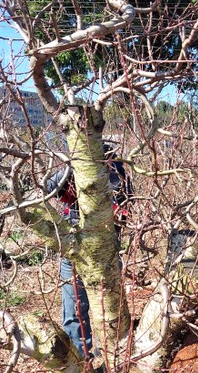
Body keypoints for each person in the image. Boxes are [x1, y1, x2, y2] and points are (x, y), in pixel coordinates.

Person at [45, 144, 133, 357]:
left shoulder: (118, 175)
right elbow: (49, 186)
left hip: (106, 249)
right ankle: (81, 358)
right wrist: (70, 170)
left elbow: (124, 210)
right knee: (74, 308)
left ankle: (113, 356)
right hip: (73, 245)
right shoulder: (75, 168)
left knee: (110, 308)